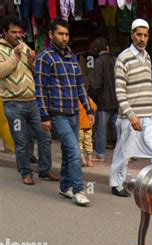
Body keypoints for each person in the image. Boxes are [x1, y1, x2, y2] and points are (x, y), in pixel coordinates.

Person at [110, 18, 152, 197]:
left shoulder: (147, 58)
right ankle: (116, 183)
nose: (142, 38)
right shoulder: (123, 58)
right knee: (124, 153)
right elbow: (120, 92)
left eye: (145, 35)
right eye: (138, 34)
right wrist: (131, 115)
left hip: (149, 115)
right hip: (129, 117)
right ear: (132, 35)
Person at [36, 18, 94, 206]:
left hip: (74, 113)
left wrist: (88, 109)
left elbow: (80, 86)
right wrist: (44, 116)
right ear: (51, 35)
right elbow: (40, 88)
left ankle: (64, 187)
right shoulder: (45, 57)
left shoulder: (71, 56)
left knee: (68, 151)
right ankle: (78, 190)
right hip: (57, 114)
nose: (64, 38)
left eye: (66, 34)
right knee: (74, 151)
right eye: (60, 34)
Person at [0, 15, 58, 185]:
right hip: (13, 103)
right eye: (13, 32)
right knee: (22, 140)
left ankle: (45, 169)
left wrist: (33, 61)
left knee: (44, 136)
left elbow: (35, 72)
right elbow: (2, 72)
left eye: (20, 32)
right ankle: (26, 172)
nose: (18, 35)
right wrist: (16, 56)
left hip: (33, 101)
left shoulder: (24, 46)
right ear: (4, 32)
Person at [88, 37, 118, 162]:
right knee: (119, 129)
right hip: (117, 101)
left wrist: (92, 98)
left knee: (101, 129)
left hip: (103, 102)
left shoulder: (98, 62)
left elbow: (95, 85)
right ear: (107, 48)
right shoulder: (114, 61)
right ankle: (127, 154)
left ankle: (100, 154)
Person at [79, 95, 97, 166]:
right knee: (88, 142)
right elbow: (95, 107)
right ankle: (90, 161)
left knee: (79, 143)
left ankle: (83, 159)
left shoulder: (76, 100)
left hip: (79, 126)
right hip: (88, 125)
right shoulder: (88, 99)